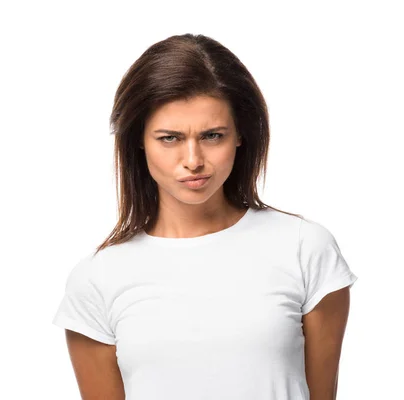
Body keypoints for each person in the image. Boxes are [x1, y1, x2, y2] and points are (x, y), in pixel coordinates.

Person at [52, 33, 358, 400]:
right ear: (138, 140)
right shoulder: (96, 279)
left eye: (213, 135)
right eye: (169, 138)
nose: (193, 160)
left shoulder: (305, 249)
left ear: (241, 135)